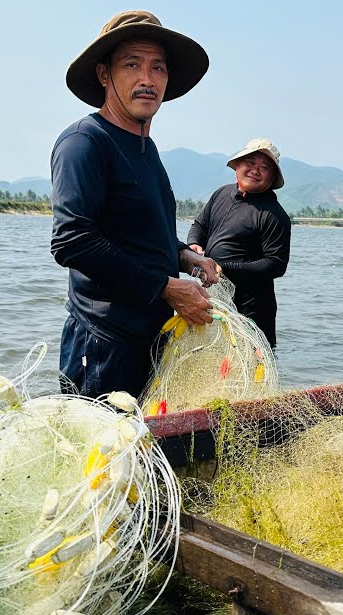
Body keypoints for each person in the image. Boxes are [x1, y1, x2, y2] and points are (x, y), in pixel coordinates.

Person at [50, 10, 221, 398]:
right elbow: (72, 241)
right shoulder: (84, 142)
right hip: (103, 343)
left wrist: (183, 255)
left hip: (151, 337)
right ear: (104, 74)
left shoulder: (147, 148)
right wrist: (165, 287)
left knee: (143, 453)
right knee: (98, 452)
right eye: (132, 64)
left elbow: (139, 231)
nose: (148, 79)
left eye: (158, 68)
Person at [186, 138, 292, 348]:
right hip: (214, 296)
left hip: (252, 308)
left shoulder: (274, 215)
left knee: (250, 363)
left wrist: (225, 268)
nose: (255, 170)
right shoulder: (221, 194)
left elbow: (276, 264)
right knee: (211, 353)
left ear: (272, 178)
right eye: (250, 163)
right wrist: (194, 245)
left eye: (264, 167)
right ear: (238, 165)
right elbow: (199, 225)